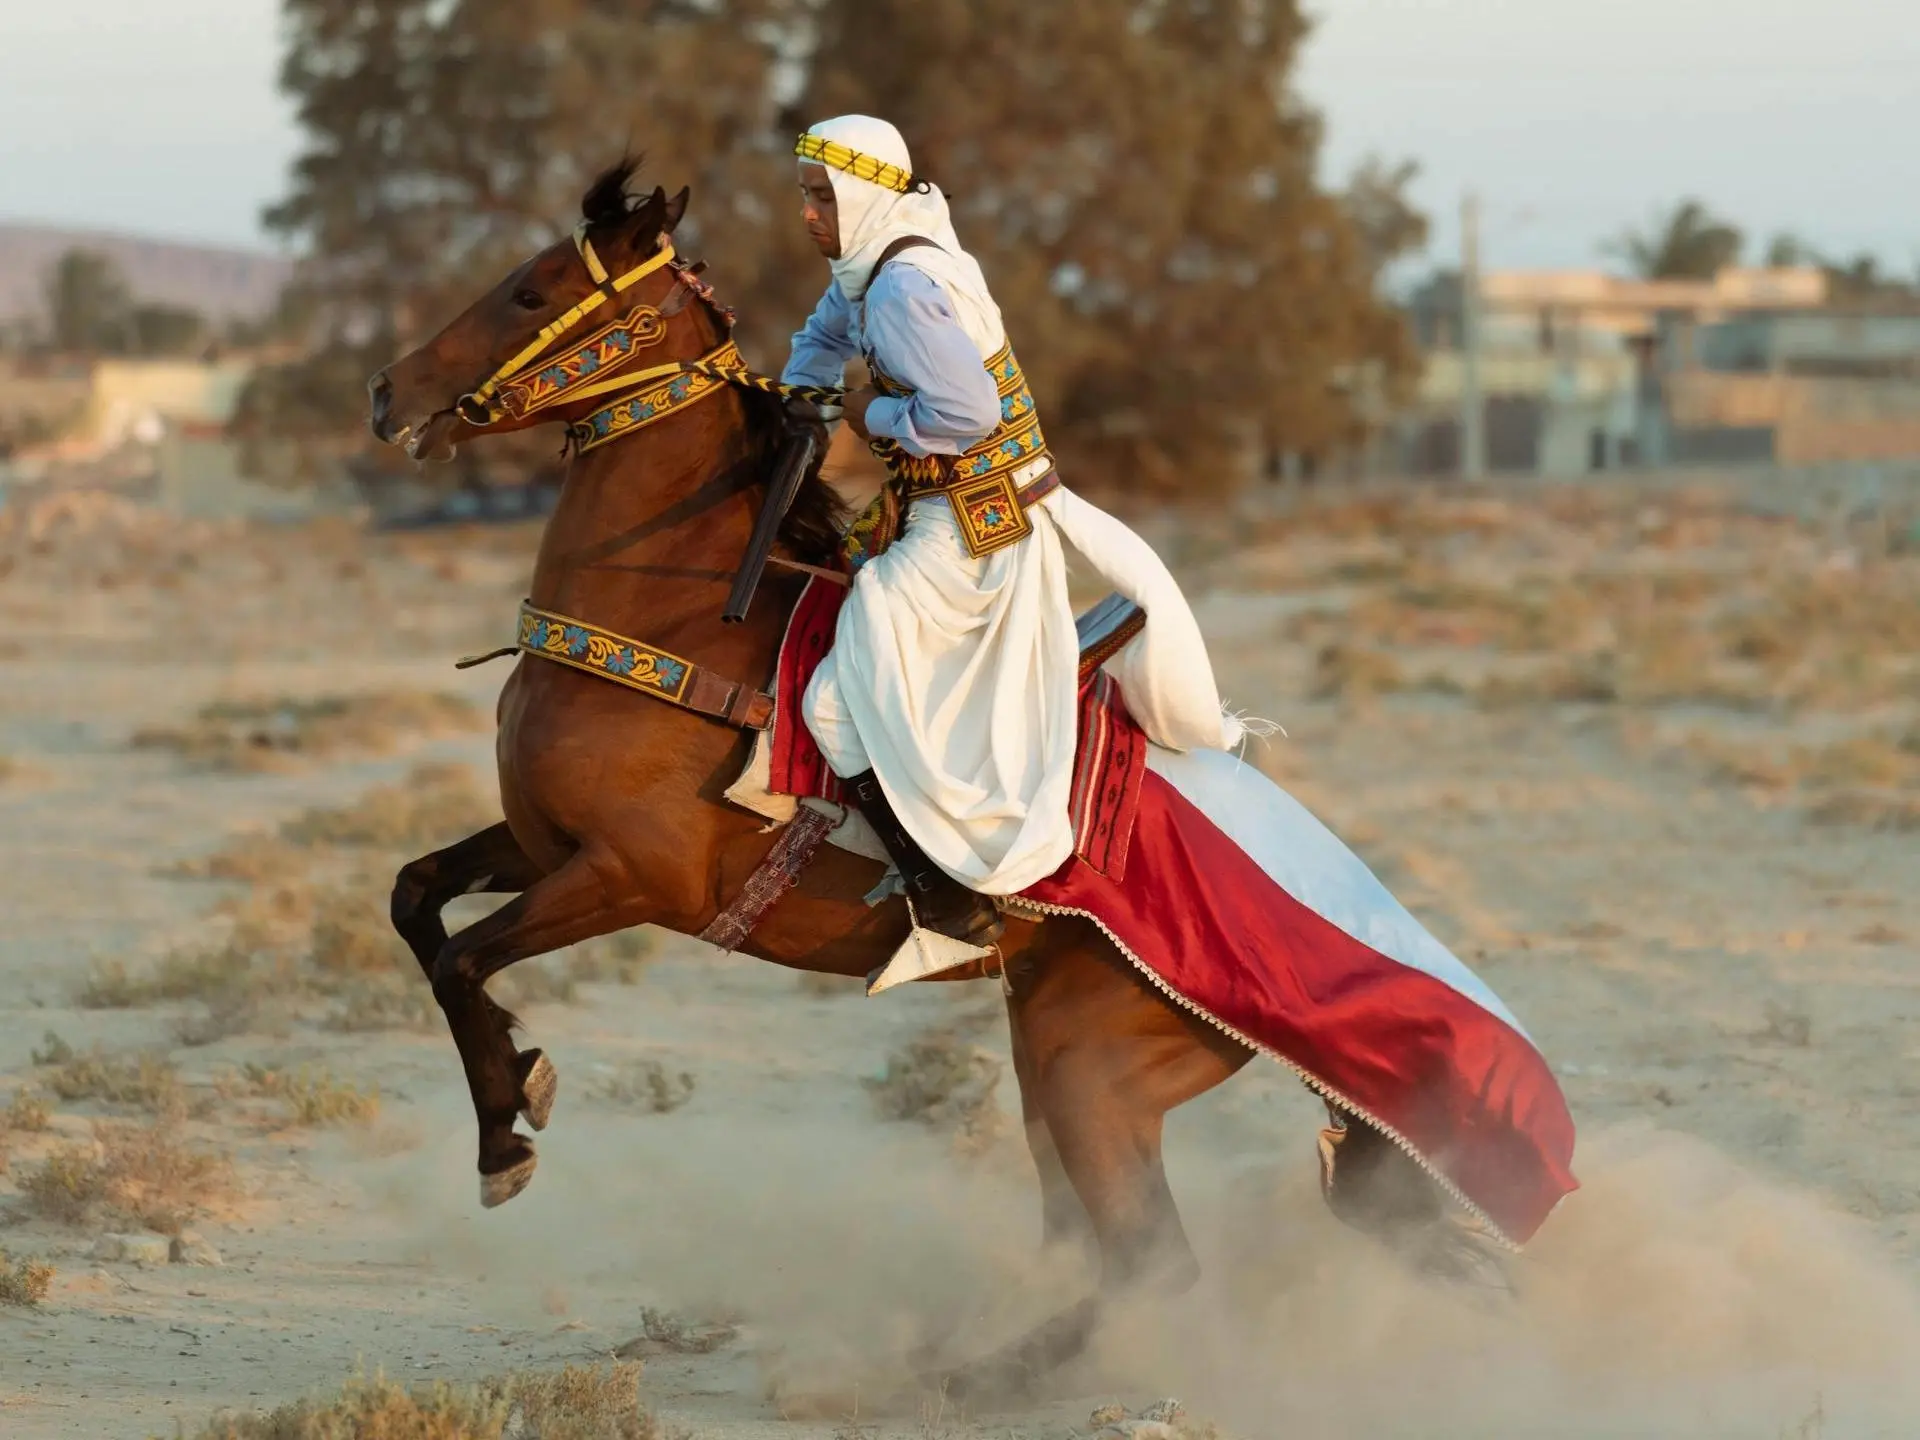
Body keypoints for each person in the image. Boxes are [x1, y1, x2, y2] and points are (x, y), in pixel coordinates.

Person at [781, 114, 1245, 953]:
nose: (809, 215)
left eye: (821, 197)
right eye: (805, 197)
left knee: (833, 699)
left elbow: (966, 412)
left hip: (970, 532)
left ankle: (942, 890)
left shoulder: (897, 286)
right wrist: (796, 394)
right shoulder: (881, 261)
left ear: (857, 195)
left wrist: (865, 411)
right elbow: (821, 335)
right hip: (956, 513)